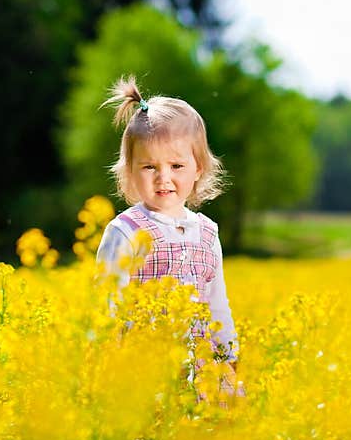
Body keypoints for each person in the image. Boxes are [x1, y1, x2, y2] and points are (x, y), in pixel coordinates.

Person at [95, 75, 243, 401]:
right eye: (149, 167)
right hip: (145, 375)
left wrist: (230, 358)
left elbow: (217, 304)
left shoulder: (207, 233)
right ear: (130, 170)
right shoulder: (126, 232)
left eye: (177, 165)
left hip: (201, 374)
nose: (164, 178)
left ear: (199, 168)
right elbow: (108, 309)